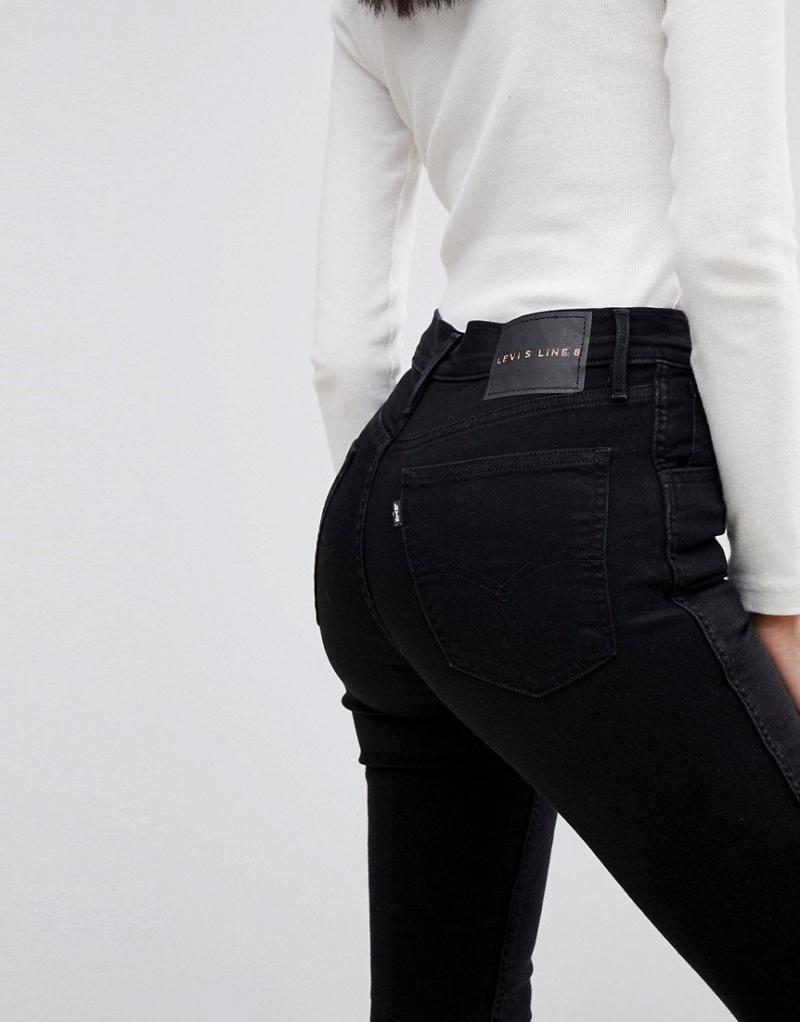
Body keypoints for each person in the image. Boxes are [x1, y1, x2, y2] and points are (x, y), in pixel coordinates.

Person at [310, 0, 800, 1018]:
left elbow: (344, 355)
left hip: (390, 487)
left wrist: (432, 542)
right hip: (574, 470)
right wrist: (784, 596)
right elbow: (732, 248)